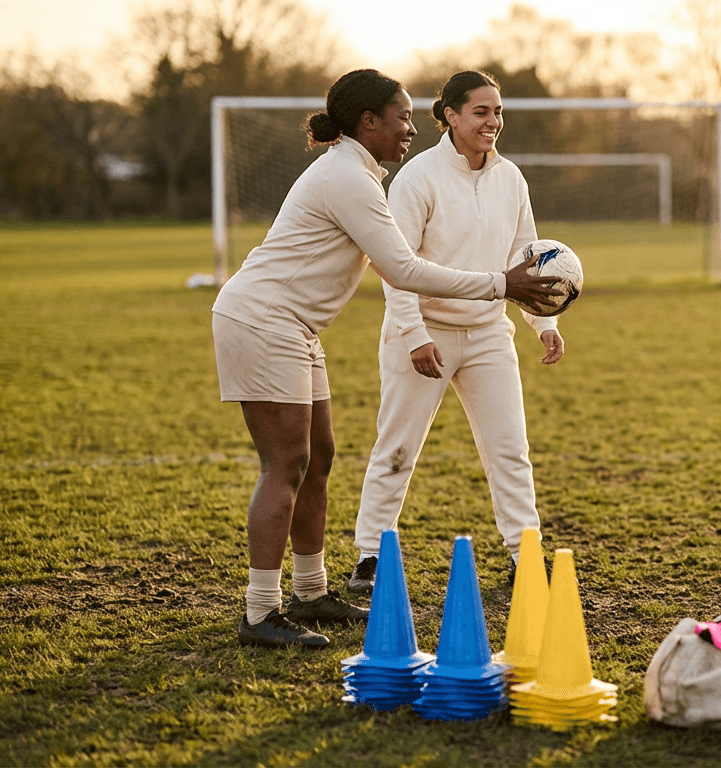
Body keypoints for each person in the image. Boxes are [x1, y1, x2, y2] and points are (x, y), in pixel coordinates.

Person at [211, 69, 561, 649]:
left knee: (319, 457)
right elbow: (402, 271)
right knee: (287, 463)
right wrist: (501, 284)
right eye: (402, 118)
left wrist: (533, 311)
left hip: (295, 326)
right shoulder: (350, 178)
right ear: (368, 121)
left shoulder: (361, 173)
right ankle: (260, 611)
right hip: (263, 319)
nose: (410, 129)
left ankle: (311, 592)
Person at [348, 70, 561, 593]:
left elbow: (526, 256)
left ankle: (525, 555)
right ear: (450, 115)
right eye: (481, 112)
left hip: (489, 333)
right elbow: (395, 266)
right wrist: (413, 334)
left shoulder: (511, 178)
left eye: (498, 112)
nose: (493, 122)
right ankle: (371, 557)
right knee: (397, 448)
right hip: (425, 334)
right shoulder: (417, 177)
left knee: (510, 449)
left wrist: (543, 322)